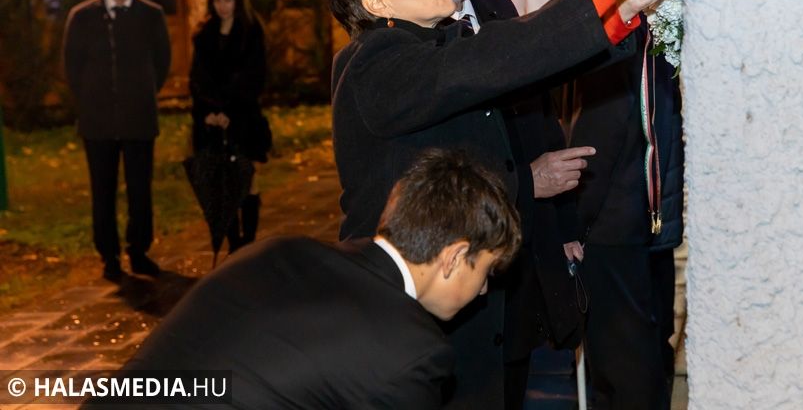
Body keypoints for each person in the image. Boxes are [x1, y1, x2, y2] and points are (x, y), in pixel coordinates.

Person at [323, 0, 679, 409]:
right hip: (407, 312)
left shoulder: (437, 43)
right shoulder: (375, 64)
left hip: (466, 294)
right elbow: (499, 56)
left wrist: (628, 5)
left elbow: (526, 68)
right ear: (377, 3)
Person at [384, 0, 594, 410]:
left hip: (519, 246)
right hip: (448, 264)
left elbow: (538, 115)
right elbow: (428, 165)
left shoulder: (494, 1)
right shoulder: (400, 40)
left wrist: (563, 224)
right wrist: (524, 179)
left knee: (513, 374)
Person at [112, 149, 523, 410]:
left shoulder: (276, 250)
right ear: (454, 257)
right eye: (486, 271)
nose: (484, 290)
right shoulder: (409, 351)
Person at [569, 0, 685, 410]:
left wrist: (575, 220)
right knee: (649, 358)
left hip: (614, 219)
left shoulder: (618, 13)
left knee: (624, 374)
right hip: (652, 215)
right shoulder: (658, 1)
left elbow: (604, 124)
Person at [63, 0, 171, 281]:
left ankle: (139, 251)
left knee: (140, 190)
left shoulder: (151, 16)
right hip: (97, 122)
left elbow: (162, 62)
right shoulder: (82, 17)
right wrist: (91, 99)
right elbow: (72, 66)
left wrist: (142, 92)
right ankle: (108, 255)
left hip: (139, 118)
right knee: (103, 191)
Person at [189, 0, 270, 253]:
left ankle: (248, 241)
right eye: (217, 0)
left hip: (243, 119)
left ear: (237, 1)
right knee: (221, 183)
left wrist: (229, 111)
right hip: (211, 121)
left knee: (246, 179)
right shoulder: (204, 35)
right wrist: (209, 112)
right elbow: (197, 79)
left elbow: (254, 77)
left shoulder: (250, 32)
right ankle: (233, 242)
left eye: (227, 0)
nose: (222, 6)